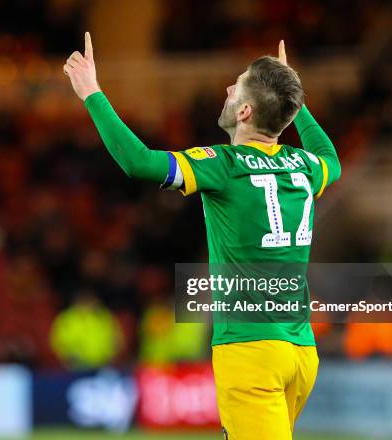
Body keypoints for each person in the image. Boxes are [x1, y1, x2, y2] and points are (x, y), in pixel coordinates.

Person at [63, 34, 341, 439]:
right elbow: (330, 157)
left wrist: (92, 93)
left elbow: (139, 162)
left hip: (250, 351)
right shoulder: (303, 166)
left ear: (245, 110)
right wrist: (295, 106)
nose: (228, 89)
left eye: (238, 84)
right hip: (300, 352)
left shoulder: (224, 165)